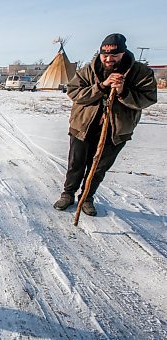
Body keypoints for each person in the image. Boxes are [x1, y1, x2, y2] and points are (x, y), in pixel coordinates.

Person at [53, 33, 157, 216]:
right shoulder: (88, 70)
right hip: (83, 126)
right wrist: (101, 86)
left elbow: (147, 98)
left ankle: (87, 197)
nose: (108, 59)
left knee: (99, 168)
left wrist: (123, 92)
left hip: (115, 131)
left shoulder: (140, 73)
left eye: (114, 56)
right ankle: (68, 194)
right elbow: (74, 93)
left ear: (123, 53)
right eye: (105, 55)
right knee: (76, 164)